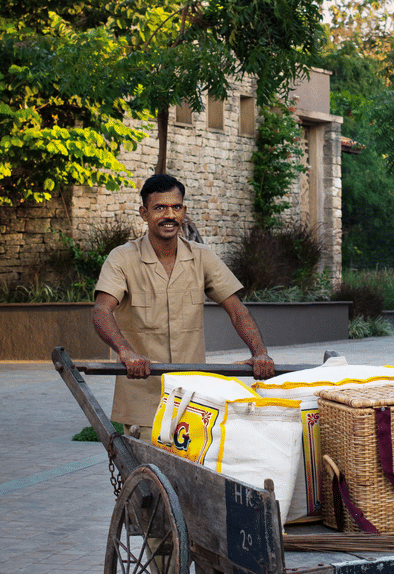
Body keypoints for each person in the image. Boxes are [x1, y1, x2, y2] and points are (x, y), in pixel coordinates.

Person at [92, 173, 275, 440]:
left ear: (184, 211)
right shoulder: (122, 258)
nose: (169, 215)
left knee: (193, 479)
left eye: (176, 207)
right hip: (142, 402)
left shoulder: (203, 257)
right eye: (159, 208)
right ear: (144, 214)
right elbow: (101, 312)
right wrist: (126, 352)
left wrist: (260, 353)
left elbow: (237, 310)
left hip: (194, 401)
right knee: (148, 478)